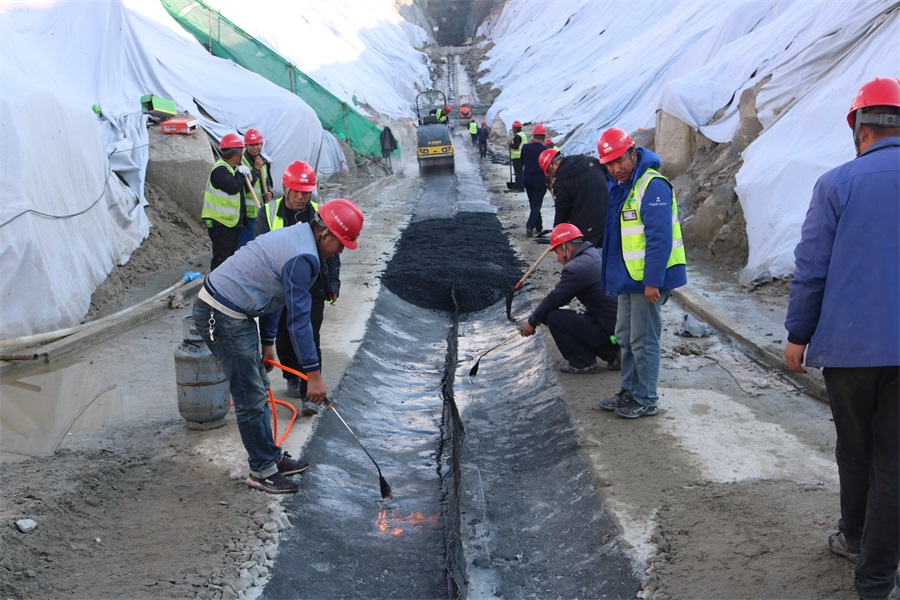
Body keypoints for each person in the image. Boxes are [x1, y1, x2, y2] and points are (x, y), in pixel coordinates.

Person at [784, 76, 899, 600]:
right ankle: (877, 579)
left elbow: (812, 268)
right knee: (894, 462)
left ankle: (854, 537)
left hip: (849, 351)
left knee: (855, 452)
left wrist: (797, 334)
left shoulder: (836, 184)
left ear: (858, 127)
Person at [192, 198, 364, 494]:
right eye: (340, 244)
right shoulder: (303, 257)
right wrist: (313, 374)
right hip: (221, 314)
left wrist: (267, 343)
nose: (339, 252)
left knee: (257, 386)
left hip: (235, 312)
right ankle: (262, 471)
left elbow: (273, 297)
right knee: (250, 395)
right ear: (325, 234)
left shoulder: (299, 238)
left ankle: (269, 458)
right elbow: (299, 322)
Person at [596, 127, 686, 419]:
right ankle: (629, 391)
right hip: (629, 277)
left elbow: (659, 239)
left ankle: (646, 398)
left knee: (644, 339)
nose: (616, 168)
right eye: (609, 164)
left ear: (632, 153)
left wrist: (652, 282)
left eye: (619, 161)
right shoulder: (623, 186)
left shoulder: (652, 185)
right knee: (624, 335)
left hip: (647, 279)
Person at [256, 161, 340, 418]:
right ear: (285, 188)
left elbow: (333, 252)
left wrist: (333, 283)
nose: (301, 197)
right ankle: (291, 373)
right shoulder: (268, 213)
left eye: (306, 192)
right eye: (296, 191)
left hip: (312, 284)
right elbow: (259, 247)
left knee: (309, 334)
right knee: (283, 335)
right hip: (280, 288)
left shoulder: (319, 212)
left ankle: (310, 392)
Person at [521, 224, 619, 374]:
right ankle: (615, 353)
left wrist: (532, 322)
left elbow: (554, 300)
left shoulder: (575, 268)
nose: (559, 258)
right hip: (622, 329)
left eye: (558, 252)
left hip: (611, 332)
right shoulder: (598, 253)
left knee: (553, 316)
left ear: (567, 248)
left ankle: (583, 362)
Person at [539, 148, 609, 248]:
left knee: (589, 258)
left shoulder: (562, 181)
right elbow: (610, 178)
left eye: (550, 172)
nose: (551, 175)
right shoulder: (590, 161)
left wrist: (556, 232)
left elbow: (562, 209)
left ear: (554, 164)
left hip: (588, 227)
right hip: (609, 218)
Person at [202, 133, 252, 271]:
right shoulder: (220, 170)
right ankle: (213, 290)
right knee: (221, 260)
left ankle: (223, 288)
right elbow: (233, 188)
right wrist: (240, 174)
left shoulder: (230, 169)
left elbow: (242, 192)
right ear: (236, 153)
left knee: (229, 259)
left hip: (230, 223)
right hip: (221, 225)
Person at [237, 128, 273, 249]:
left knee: (259, 242)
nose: (255, 147)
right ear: (246, 145)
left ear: (261, 144)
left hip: (260, 211)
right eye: (251, 145)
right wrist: (256, 170)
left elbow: (267, 182)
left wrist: (269, 193)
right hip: (245, 213)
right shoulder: (240, 163)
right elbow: (243, 188)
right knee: (245, 245)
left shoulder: (264, 161)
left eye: (257, 144)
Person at [520, 123, 550, 237]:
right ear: (544, 137)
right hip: (540, 180)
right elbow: (548, 168)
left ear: (533, 135)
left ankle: (539, 226)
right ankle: (530, 226)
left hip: (527, 178)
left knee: (533, 203)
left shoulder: (526, 147)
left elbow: (522, 161)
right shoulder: (546, 150)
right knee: (536, 204)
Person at [508, 120, 527, 192]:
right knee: (519, 172)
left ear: (516, 128)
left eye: (513, 129)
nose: (513, 130)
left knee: (518, 173)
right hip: (521, 157)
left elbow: (516, 146)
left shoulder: (518, 136)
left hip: (517, 157)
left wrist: (511, 145)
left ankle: (520, 187)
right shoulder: (523, 134)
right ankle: (517, 185)